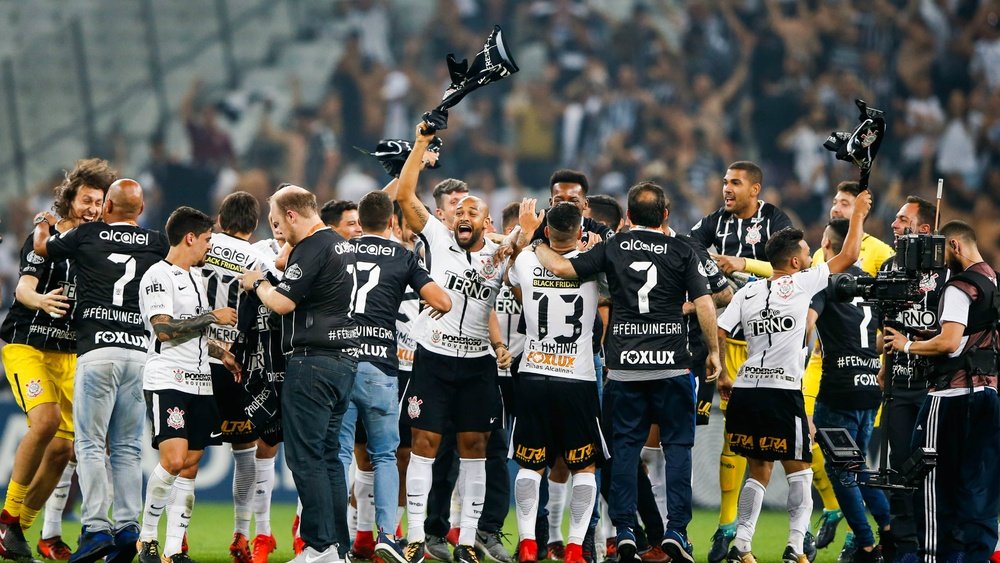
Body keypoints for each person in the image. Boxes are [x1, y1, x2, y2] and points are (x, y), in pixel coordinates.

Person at [532, 182, 722, 563]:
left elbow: (562, 267)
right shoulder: (684, 249)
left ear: (629, 216)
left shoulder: (613, 246)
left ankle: (625, 531)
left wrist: (536, 240)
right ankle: (676, 531)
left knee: (624, 451)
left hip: (624, 371)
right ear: (665, 215)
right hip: (672, 368)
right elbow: (704, 301)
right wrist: (713, 350)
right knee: (678, 449)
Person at [375, 122, 511, 563]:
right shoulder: (434, 236)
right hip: (432, 360)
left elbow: (529, 243)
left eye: (475, 211)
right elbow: (404, 195)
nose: (465, 216)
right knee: (423, 446)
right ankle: (415, 536)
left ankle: (467, 541)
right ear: (449, 218)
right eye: (460, 212)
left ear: (484, 222)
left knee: (474, 451)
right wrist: (419, 145)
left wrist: (525, 230)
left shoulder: (499, 250)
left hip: (477, 365)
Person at [715, 190, 872, 563]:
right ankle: (796, 548)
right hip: (783, 391)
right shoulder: (802, 282)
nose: (809, 256)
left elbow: (721, 331)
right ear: (794, 260)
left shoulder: (748, 292)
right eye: (804, 252)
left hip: (747, 387)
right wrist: (859, 216)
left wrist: (720, 370)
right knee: (800, 472)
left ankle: (742, 548)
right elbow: (848, 256)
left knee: (758, 470)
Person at [32, 179, 170, 563]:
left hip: (97, 353)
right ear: (140, 211)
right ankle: (128, 527)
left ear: (107, 206)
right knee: (127, 448)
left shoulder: (87, 234)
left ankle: (95, 528)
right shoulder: (157, 243)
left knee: (90, 445)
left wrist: (42, 223)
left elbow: (44, 249)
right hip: (138, 354)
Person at [0, 159, 116, 562]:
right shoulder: (45, 235)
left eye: (99, 201)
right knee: (46, 421)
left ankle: (17, 529)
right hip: (27, 344)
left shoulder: (99, 243)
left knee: (66, 451)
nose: (92, 207)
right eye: (86, 199)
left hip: (69, 355)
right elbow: (24, 290)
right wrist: (42, 300)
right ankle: (7, 516)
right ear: (70, 198)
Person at [241, 184, 360, 563]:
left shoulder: (312, 246)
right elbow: (285, 263)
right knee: (328, 458)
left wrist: (256, 283)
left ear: (292, 216)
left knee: (306, 458)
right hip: (343, 362)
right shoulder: (337, 243)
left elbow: (281, 302)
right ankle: (337, 546)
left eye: (278, 221)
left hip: (312, 362)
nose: (278, 230)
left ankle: (317, 546)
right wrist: (286, 242)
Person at [687, 161, 795, 563]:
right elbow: (690, 252)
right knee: (734, 438)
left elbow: (791, 271)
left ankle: (814, 525)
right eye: (724, 182)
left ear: (756, 189)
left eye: (735, 183)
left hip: (773, 342)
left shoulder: (776, 221)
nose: (726, 188)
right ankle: (727, 527)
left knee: (792, 448)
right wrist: (718, 289)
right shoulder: (713, 222)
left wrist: (741, 265)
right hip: (732, 339)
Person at [338, 190, 451, 557]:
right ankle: (388, 535)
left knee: (339, 453)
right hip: (381, 368)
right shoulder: (403, 256)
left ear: (359, 221)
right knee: (386, 455)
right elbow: (442, 301)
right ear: (391, 222)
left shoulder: (338, 251)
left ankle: (335, 536)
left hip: (339, 362)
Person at [884, 220, 1000, 562]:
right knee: (979, 489)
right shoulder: (993, 280)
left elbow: (949, 344)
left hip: (950, 398)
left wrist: (906, 346)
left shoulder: (958, 287)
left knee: (932, 486)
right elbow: (971, 339)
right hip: (989, 396)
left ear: (955, 246)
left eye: (942, 251)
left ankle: (933, 557)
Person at [135, 206, 241, 563]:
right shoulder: (157, 276)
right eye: (208, 239)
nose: (210, 246)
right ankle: (147, 537)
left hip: (201, 380)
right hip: (169, 378)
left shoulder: (195, 277)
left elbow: (191, 332)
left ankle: (172, 549)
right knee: (174, 459)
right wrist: (213, 317)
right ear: (190, 237)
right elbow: (164, 330)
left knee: (192, 463)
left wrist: (218, 352)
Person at [508, 201, 605, 563]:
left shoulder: (526, 260)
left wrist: (528, 236)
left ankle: (530, 544)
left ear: (547, 231)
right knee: (584, 466)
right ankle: (576, 548)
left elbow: (516, 288)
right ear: (580, 231)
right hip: (577, 378)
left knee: (530, 465)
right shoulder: (594, 263)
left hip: (533, 374)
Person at [800, 181, 894, 553]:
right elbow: (882, 337)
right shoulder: (871, 284)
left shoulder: (824, 283)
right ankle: (886, 527)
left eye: (823, 242)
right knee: (859, 465)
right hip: (870, 388)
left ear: (828, 247)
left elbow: (807, 325)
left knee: (843, 471)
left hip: (838, 391)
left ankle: (872, 542)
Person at [877, 196, 948, 562]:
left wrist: (916, 340)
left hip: (937, 388)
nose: (893, 224)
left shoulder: (947, 272)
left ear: (924, 229)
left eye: (902, 219)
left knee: (937, 468)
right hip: (900, 389)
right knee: (901, 470)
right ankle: (906, 548)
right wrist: (885, 363)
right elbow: (884, 331)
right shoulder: (889, 266)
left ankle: (939, 543)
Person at [200, 191, 268, 563]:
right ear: (254, 224)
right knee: (245, 454)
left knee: (189, 453)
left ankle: (177, 540)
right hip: (239, 365)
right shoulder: (261, 258)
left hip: (199, 359)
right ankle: (241, 535)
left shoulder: (202, 248)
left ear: (220, 221)